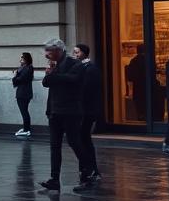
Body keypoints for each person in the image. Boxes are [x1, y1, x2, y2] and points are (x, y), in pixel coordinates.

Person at [40, 38, 86, 193]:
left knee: (74, 142)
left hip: (70, 111)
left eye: (49, 51)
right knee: (55, 146)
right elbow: (45, 83)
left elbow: (73, 80)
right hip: (55, 111)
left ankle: (88, 173)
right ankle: (54, 179)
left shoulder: (74, 64)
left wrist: (53, 75)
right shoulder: (54, 65)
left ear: (59, 50)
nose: (46, 55)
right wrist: (51, 74)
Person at [73, 44, 103, 185]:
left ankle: (90, 169)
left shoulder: (90, 69)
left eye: (77, 52)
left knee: (83, 139)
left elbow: (87, 91)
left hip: (87, 110)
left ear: (84, 53)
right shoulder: (82, 68)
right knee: (83, 139)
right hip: (84, 110)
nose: (75, 54)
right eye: (74, 52)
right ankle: (88, 169)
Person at [12, 52, 34, 137]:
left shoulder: (28, 68)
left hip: (24, 93)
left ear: (26, 59)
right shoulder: (24, 68)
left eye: (22, 58)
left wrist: (15, 76)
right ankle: (26, 128)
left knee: (24, 111)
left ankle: (27, 129)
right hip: (23, 92)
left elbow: (20, 79)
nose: (20, 60)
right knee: (24, 111)